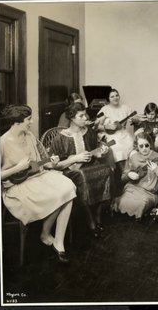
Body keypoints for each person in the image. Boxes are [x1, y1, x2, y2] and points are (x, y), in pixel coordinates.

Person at [0, 105, 76, 263]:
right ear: (16, 123)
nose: (32, 122)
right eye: (28, 120)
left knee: (68, 186)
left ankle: (58, 241)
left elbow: (41, 163)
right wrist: (17, 167)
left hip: (37, 176)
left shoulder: (29, 136)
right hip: (17, 187)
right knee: (59, 194)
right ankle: (46, 234)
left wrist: (51, 161)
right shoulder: (2, 143)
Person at [50, 102, 113, 238]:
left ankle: (97, 212)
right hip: (69, 170)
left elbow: (95, 152)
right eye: (82, 116)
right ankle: (89, 217)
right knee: (83, 176)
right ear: (72, 118)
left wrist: (101, 152)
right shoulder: (61, 137)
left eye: (86, 115)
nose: (86, 118)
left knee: (107, 171)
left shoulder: (89, 131)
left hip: (89, 165)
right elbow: (55, 165)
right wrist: (75, 158)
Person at [113, 133, 158, 220]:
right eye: (141, 146)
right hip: (133, 188)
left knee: (141, 205)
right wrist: (129, 175)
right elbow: (123, 178)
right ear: (137, 146)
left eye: (146, 145)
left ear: (150, 145)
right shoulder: (133, 157)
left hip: (150, 192)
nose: (144, 149)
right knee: (121, 201)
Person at [97, 88, 135, 187]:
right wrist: (107, 127)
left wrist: (133, 120)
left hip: (123, 134)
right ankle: (124, 175)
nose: (115, 98)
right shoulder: (105, 109)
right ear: (108, 99)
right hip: (110, 135)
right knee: (117, 148)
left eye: (117, 95)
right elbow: (96, 126)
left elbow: (134, 118)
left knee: (131, 145)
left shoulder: (125, 107)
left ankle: (130, 174)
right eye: (112, 96)